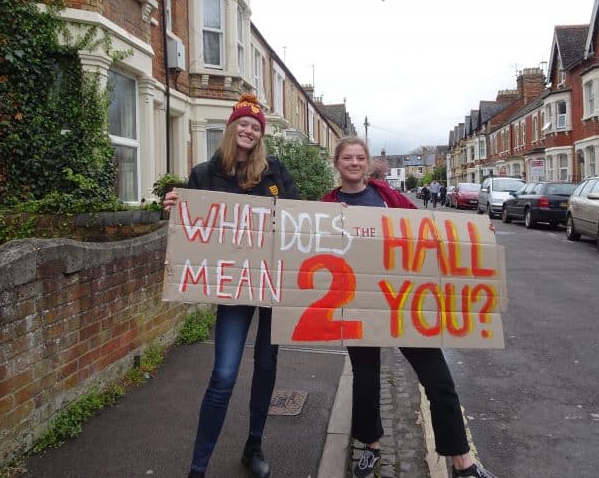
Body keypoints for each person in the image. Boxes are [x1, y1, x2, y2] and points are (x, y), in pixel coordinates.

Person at [321, 136, 497, 478]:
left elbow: (428, 233)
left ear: (368, 163)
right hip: (358, 305)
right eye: (347, 158)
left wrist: (476, 236)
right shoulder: (327, 204)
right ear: (337, 163)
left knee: (438, 379)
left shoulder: (390, 198)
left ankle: (463, 462)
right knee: (366, 381)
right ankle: (370, 446)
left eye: (360, 158)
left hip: (405, 302)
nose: (354, 163)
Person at [163, 93, 300, 478]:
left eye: (255, 127)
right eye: (243, 124)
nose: (249, 130)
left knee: (267, 364)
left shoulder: (274, 172)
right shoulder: (205, 173)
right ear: (231, 128)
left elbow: (298, 218)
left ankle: (254, 444)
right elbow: (193, 225)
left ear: (261, 136)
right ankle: (198, 466)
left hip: (272, 285)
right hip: (233, 288)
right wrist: (177, 206)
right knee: (224, 373)